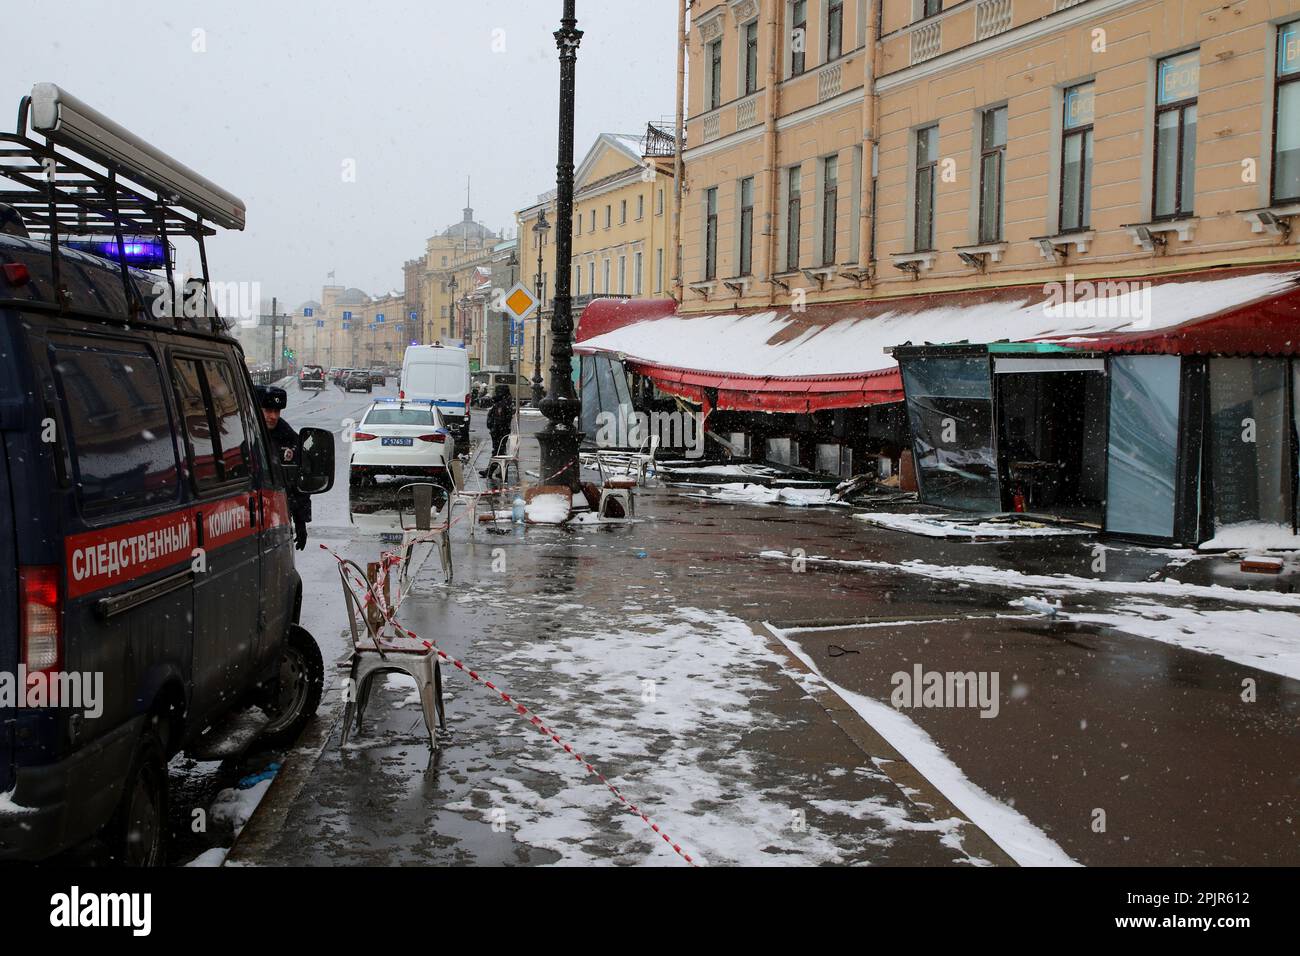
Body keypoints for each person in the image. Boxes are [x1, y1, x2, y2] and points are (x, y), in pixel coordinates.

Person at [256, 386, 311, 550]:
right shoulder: (243, 435)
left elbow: (297, 484)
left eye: (277, 411)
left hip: (275, 517)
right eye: (268, 410)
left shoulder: (289, 439)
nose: (273, 416)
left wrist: (301, 523)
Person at [481, 383, 515, 481]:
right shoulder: (503, 402)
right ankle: (500, 471)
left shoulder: (502, 404)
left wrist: (494, 428)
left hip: (499, 432)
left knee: (498, 451)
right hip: (499, 432)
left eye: (497, 392)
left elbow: (500, 420)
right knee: (500, 451)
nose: (495, 393)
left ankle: (491, 471)